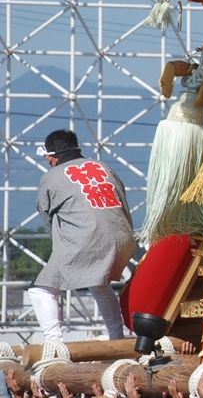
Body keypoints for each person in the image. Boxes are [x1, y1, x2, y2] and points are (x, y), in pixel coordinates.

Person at [28, 130, 136, 341]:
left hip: (88, 243)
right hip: (124, 241)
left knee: (40, 290)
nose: (47, 161)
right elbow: (123, 201)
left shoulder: (51, 176)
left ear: (53, 155)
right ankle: (116, 337)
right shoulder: (105, 168)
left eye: (47, 156)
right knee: (98, 282)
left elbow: (47, 217)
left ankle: (54, 344)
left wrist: (64, 245)